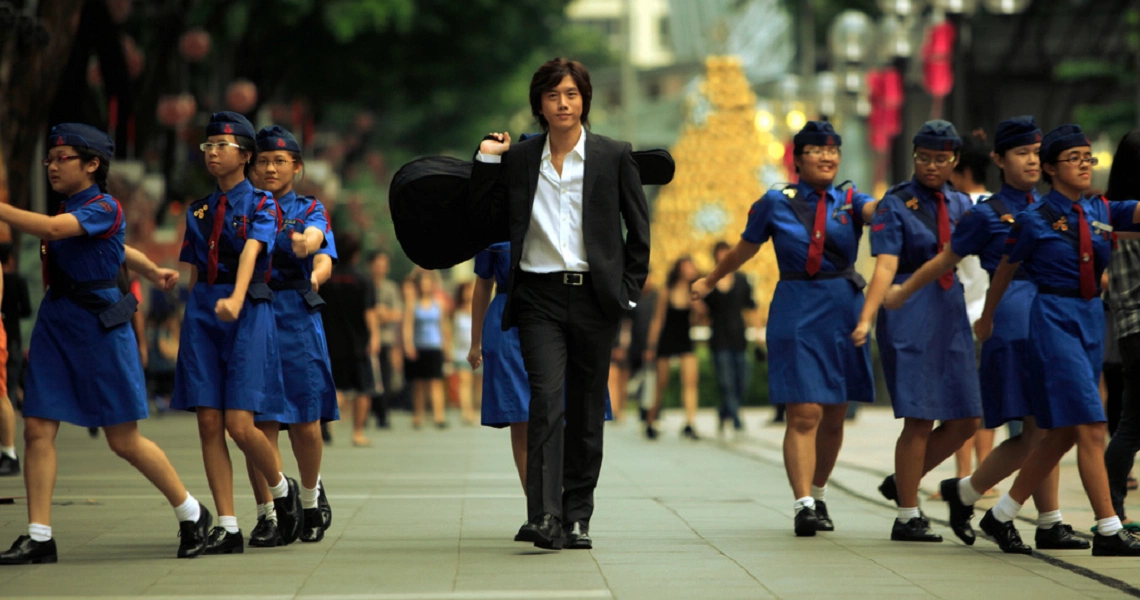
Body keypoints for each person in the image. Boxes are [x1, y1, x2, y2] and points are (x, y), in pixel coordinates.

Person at [0, 123, 210, 564]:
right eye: (51, 158)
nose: (53, 166)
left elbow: (58, 231)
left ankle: (191, 512)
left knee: (123, 439)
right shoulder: (75, 208)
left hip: (99, 325)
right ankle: (39, 535)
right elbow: (116, 249)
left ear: (92, 164)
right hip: (57, 322)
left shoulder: (102, 204)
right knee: (37, 426)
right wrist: (151, 268)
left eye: (63, 158)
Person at [468, 57, 650, 550]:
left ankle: (577, 516)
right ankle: (544, 515)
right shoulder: (522, 160)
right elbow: (484, 217)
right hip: (538, 297)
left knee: (586, 408)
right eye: (553, 96)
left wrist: (628, 291)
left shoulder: (613, 155)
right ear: (540, 106)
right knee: (545, 401)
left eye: (571, 94)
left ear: (584, 101)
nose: (563, 103)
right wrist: (487, 159)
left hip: (595, 297)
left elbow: (639, 229)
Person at [884, 116, 1087, 550]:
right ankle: (974, 498)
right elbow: (944, 260)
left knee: (1048, 427)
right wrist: (902, 291)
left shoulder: (1057, 208)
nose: (1032, 161)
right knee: (1033, 429)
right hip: (1010, 324)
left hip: (1053, 322)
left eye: (1036, 153)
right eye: (1021, 153)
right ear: (998, 159)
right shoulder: (986, 213)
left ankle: (1038, 516)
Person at [694, 121, 876, 536]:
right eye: (816, 151)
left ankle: (820, 491)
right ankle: (803, 504)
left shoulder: (851, 199)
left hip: (844, 307)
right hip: (796, 307)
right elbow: (744, 247)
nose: (827, 157)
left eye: (833, 151)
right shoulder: (776, 202)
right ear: (798, 159)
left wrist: (893, 207)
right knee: (804, 410)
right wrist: (709, 280)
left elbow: (876, 212)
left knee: (835, 414)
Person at [975, 124, 1140, 556]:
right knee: (1091, 424)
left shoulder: (1102, 209)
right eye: (1074, 158)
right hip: (1052, 318)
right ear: (1050, 168)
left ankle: (1002, 514)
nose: (1085, 165)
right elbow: (1006, 271)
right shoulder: (1033, 219)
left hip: (1088, 320)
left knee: (1063, 433)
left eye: (1089, 158)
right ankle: (1107, 528)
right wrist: (987, 319)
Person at [171, 112, 303, 555]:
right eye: (207, 146)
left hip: (247, 311)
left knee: (240, 424)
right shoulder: (198, 210)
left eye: (221, 147)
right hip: (204, 313)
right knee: (208, 421)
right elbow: (194, 270)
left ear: (245, 156)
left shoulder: (263, 204)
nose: (211, 153)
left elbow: (251, 252)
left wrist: (236, 299)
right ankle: (226, 525)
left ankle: (283, 490)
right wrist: (193, 318)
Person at [853, 120, 982, 542]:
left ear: (954, 160)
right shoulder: (895, 203)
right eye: (924, 158)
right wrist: (868, 315)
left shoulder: (962, 205)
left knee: (967, 417)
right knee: (920, 417)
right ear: (914, 157)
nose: (931, 166)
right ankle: (908, 513)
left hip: (951, 309)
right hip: (908, 308)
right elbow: (885, 265)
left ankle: (902, 480)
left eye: (940, 159)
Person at [242, 125, 338, 547]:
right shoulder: (241, 208)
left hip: (297, 316)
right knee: (257, 421)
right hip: (252, 316)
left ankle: (311, 497)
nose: (270, 168)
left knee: (306, 418)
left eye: (280, 161)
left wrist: (313, 267)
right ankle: (268, 510)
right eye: (263, 160)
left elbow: (321, 249)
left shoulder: (308, 209)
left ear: (296, 167)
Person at [946, 131, 996, 488]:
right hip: (994, 315)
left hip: (959, 315)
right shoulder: (1000, 205)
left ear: (960, 170)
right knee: (989, 398)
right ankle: (985, 476)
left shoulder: (953, 208)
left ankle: (962, 474)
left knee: (961, 400)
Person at [1101, 130, 1140, 532]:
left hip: (1126, 326)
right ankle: (1111, 510)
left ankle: (1113, 509)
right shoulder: (1132, 213)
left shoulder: (1106, 212)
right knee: (1129, 424)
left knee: (1129, 421)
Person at [321, 232, 379, 446]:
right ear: (356, 254)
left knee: (334, 387)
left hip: (330, 341)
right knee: (362, 389)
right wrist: (374, 339)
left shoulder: (327, 278)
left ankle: (328, 424)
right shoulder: (363, 279)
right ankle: (357, 433)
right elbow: (369, 313)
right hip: (358, 342)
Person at [703, 241, 757, 435]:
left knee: (742, 381)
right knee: (726, 382)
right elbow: (702, 310)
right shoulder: (709, 281)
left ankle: (724, 411)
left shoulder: (742, 280)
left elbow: (751, 307)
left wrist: (758, 335)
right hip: (719, 338)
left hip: (739, 337)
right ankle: (736, 420)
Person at [646, 257, 702, 440]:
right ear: (678, 269)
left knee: (690, 380)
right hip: (667, 339)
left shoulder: (695, 292)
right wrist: (651, 346)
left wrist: (699, 308)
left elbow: (703, 318)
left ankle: (690, 423)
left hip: (685, 339)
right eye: (686, 267)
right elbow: (657, 320)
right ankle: (651, 420)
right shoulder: (666, 291)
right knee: (661, 382)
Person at [404, 269, 450, 428]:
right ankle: (418, 415)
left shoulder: (438, 303)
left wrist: (446, 346)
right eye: (423, 283)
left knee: (436, 382)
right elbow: (408, 325)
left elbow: (443, 325)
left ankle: (439, 415)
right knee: (419, 383)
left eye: (428, 283)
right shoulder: (413, 303)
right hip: (419, 346)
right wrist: (408, 344)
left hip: (435, 345)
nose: (425, 286)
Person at [370, 251, 403, 427]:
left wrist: (383, 314)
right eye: (377, 264)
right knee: (368, 379)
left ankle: (383, 413)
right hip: (366, 340)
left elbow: (398, 313)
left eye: (383, 265)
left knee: (385, 378)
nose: (380, 268)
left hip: (385, 339)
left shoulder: (391, 288)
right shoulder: (365, 285)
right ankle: (366, 413)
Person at [451, 281, 479, 425]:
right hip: (462, 351)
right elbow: (449, 331)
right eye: (466, 291)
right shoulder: (455, 311)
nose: (468, 294)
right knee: (464, 382)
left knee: (477, 383)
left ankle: (475, 409)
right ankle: (466, 411)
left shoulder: (481, 309)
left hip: (480, 351)